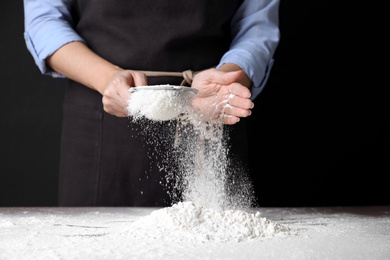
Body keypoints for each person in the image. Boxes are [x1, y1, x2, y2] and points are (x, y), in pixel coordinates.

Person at [23, 0, 280, 207]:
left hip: (211, 113)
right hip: (103, 126)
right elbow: (44, 20)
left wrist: (228, 77)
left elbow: (257, 27)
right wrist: (107, 78)